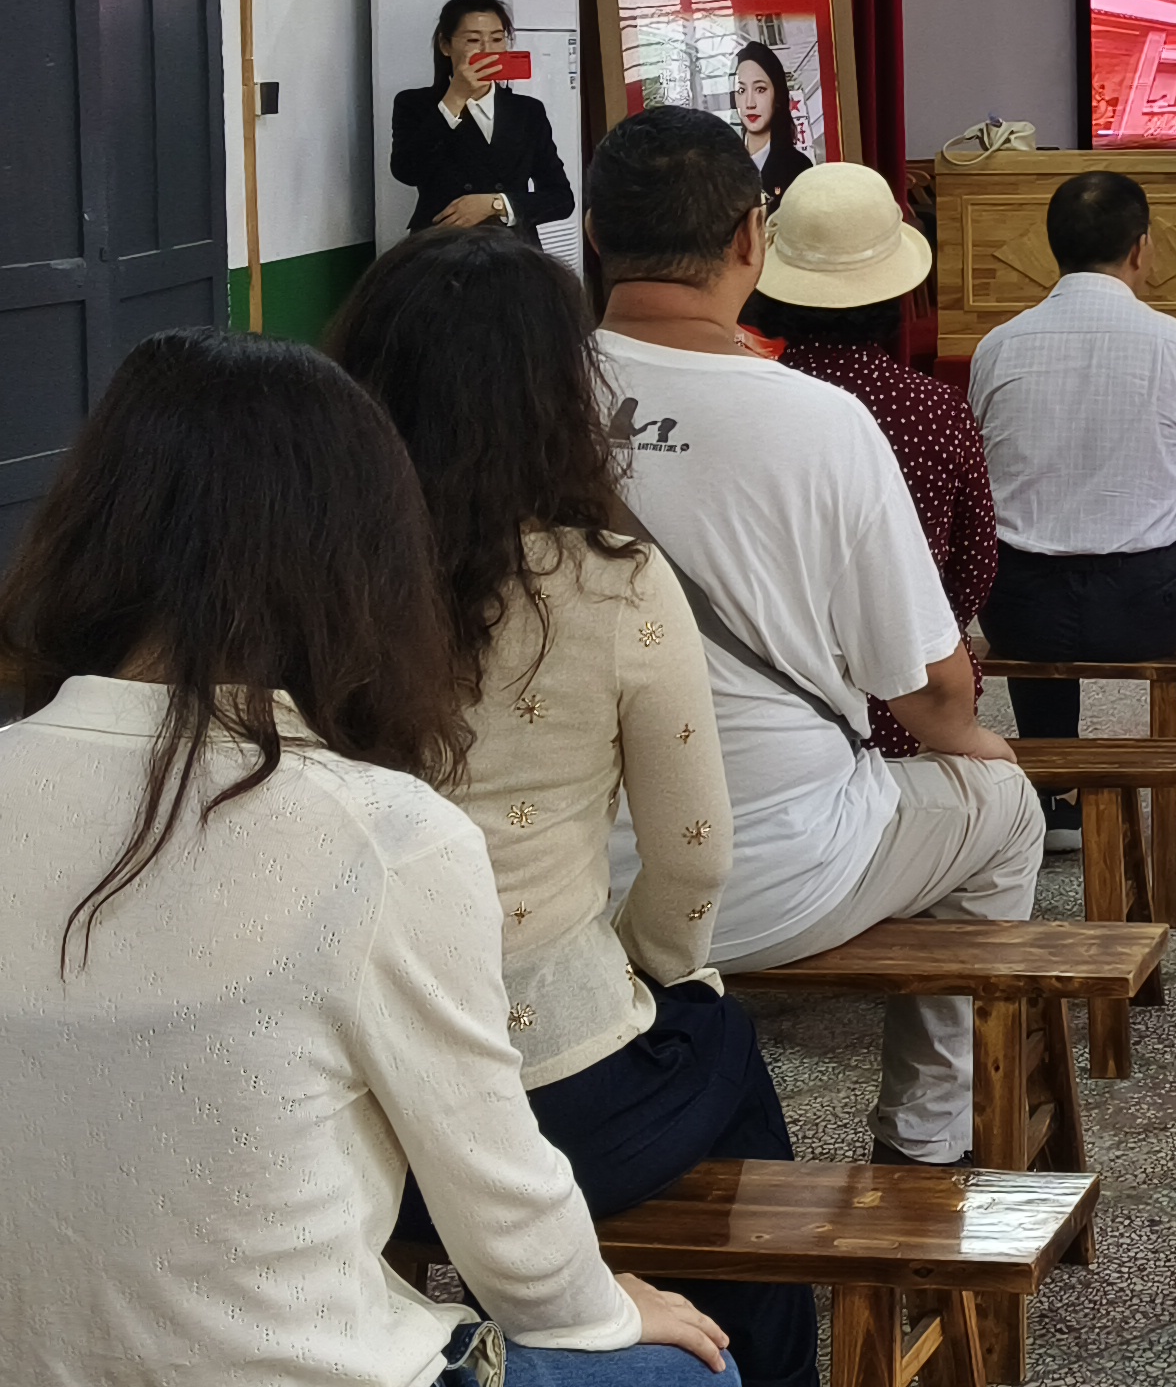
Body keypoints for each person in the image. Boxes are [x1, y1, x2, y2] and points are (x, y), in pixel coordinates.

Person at [0, 328, 732, 1387]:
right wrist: (610, 1310)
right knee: (691, 1370)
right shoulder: (389, 836)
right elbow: (509, 1224)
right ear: (363, 564)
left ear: (85, 532)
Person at [331, 228, 815, 1387]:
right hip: (553, 1091)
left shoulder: (311, 579)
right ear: (560, 392)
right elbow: (693, 854)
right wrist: (653, 975)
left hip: (346, 1104)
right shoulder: (613, 578)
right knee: (721, 1049)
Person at [584, 106, 1042, 1169]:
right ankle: (925, 1140)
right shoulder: (820, 421)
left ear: (595, 234)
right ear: (751, 238)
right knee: (1004, 807)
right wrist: (978, 745)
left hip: (561, 883)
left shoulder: (516, 405)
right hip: (776, 869)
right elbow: (929, 689)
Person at [968, 170, 1176, 849]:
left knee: (1029, 573)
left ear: (1053, 247)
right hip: (1148, 606)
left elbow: (981, 480)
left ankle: (1056, 799)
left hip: (1022, 609)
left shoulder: (998, 346)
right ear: (1141, 247)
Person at [743, 163, 1000, 635]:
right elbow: (975, 567)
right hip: (917, 663)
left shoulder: (743, 405)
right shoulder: (938, 409)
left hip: (774, 665)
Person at [393, 0, 576, 236]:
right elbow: (407, 171)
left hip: (511, 247)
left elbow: (561, 199)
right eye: (473, 40)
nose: (487, 50)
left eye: (497, 39)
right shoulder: (414, 104)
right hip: (442, 245)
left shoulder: (527, 111)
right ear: (445, 45)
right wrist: (455, 98)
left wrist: (496, 204)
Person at [731, 40, 818, 207]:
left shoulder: (798, 167)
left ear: (777, 95)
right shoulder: (723, 166)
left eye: (760, 89)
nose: (749, 103)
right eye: (741, 90)